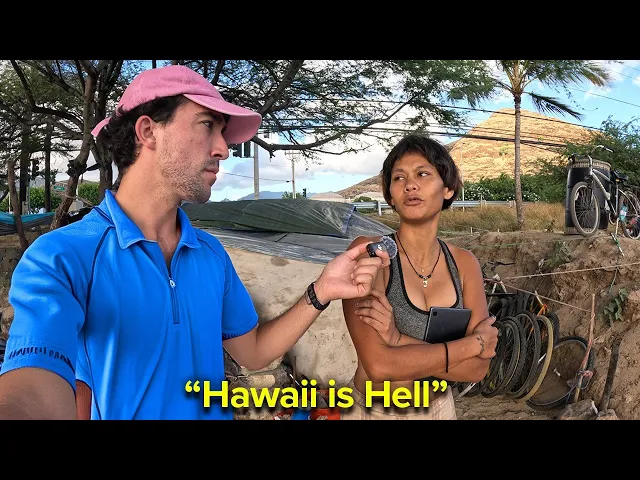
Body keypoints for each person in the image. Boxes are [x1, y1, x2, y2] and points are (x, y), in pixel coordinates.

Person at [0, 65, 390, 420]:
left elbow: (253, 352)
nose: (223, 149)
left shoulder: (210, 254)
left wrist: (322, 290)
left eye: (223, 133)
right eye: (207, 125)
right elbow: (32, 386)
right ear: (148, 131)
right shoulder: (63, 257)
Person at [340, 134, 498, 420]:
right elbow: (379, 365)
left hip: (440, 409)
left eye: (423, 174)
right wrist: (472, 345)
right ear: (390, 196)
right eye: (399, 178)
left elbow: (477, 369)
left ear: (448, 189)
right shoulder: (371, 255)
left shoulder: (464, 264)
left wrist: (397, 339)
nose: (410, 184)